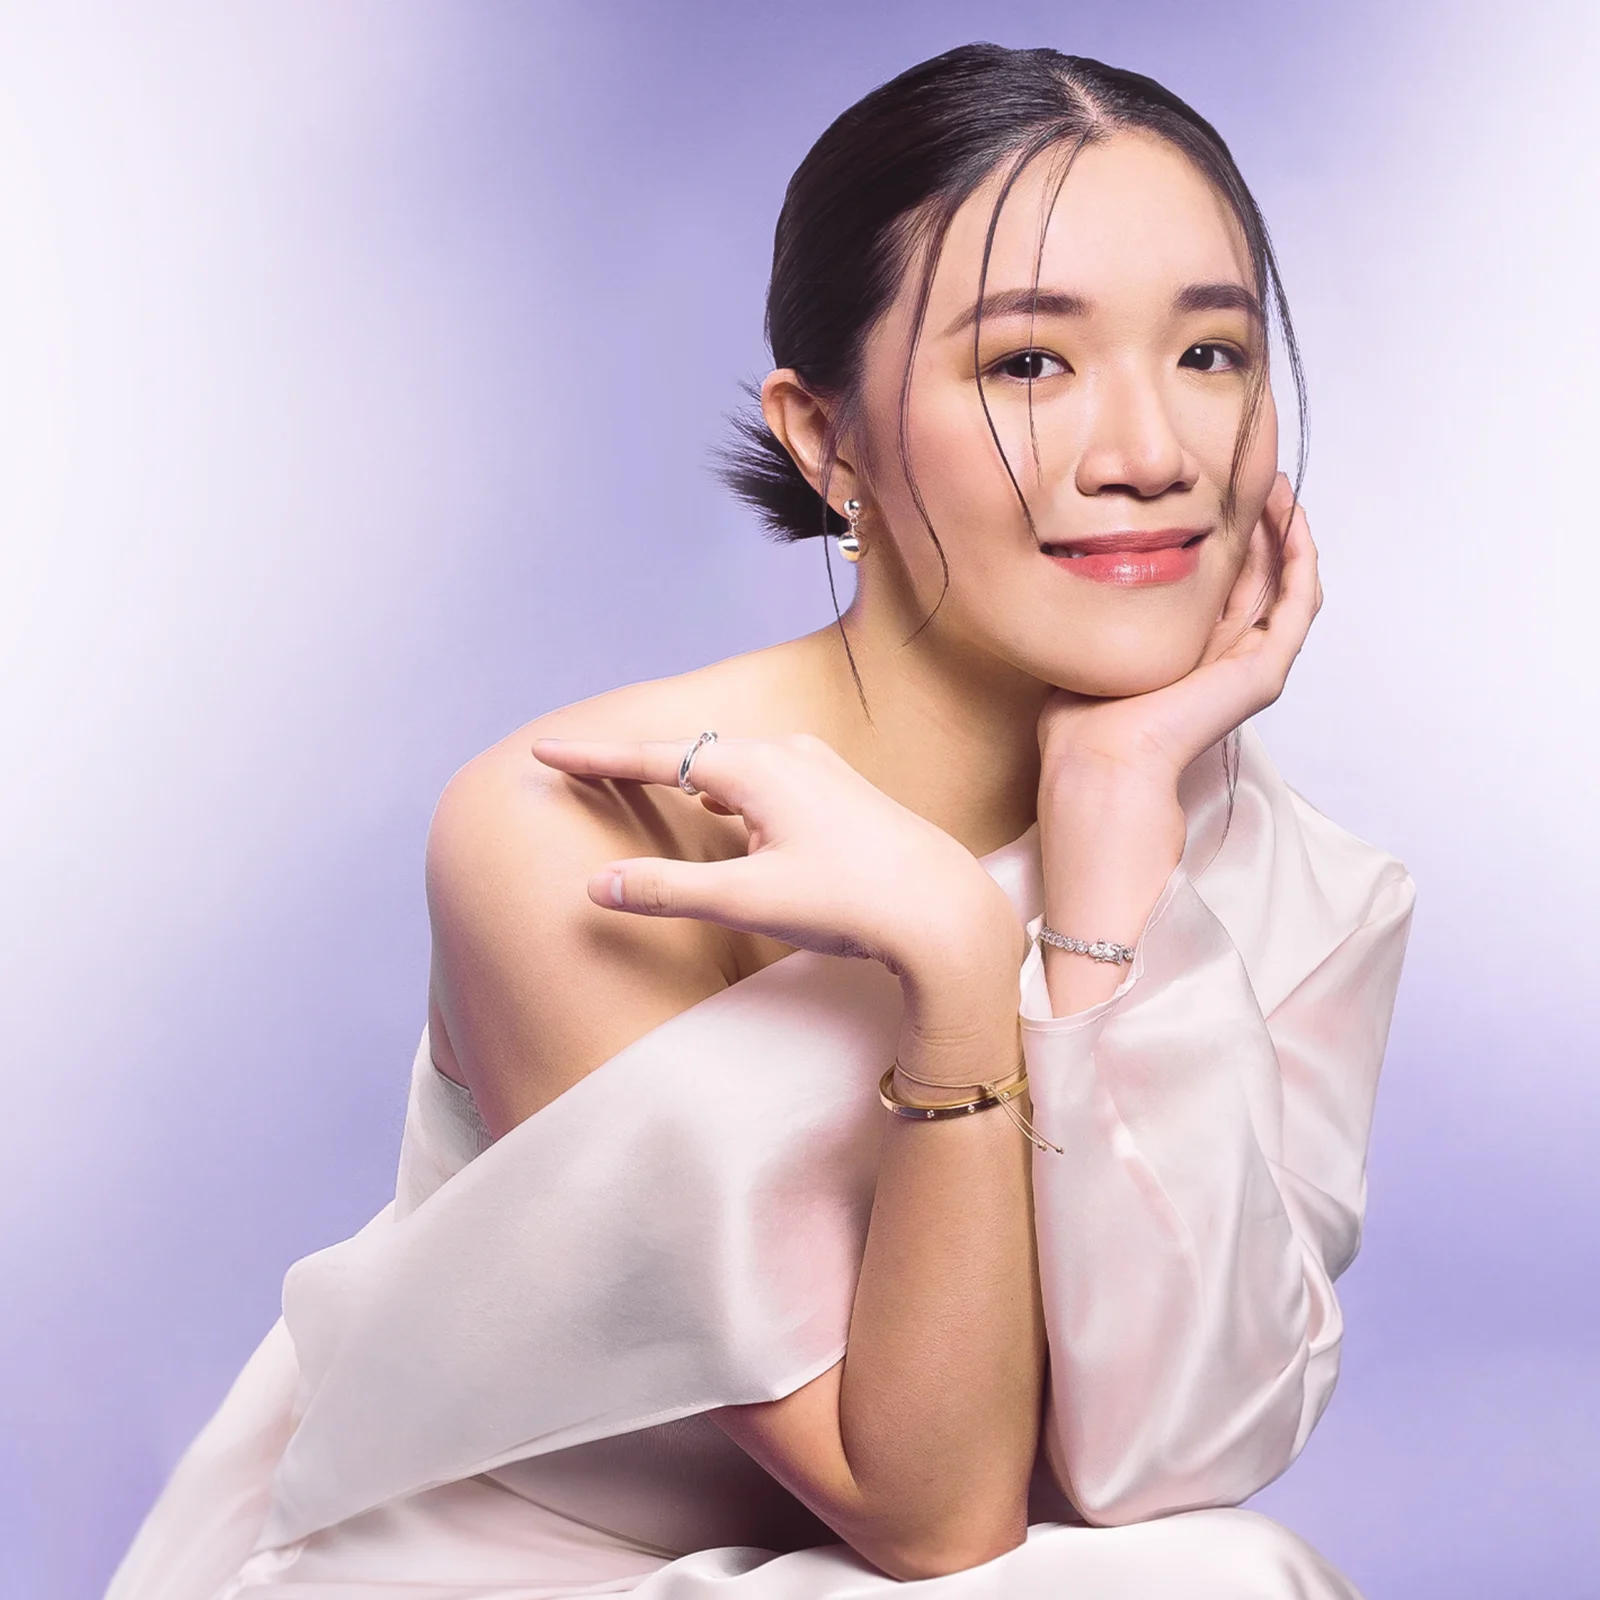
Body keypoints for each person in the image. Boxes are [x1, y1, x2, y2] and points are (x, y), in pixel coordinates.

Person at [107, 43, 1414, 1600]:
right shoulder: (582, 831)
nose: (1151, 455)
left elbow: (1169, 1464)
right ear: (825, 439)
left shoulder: (1300, 885)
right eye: (1027, 365)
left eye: (1209, 353)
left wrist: (1112, 825)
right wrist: (954, 964)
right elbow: (929, 1517)